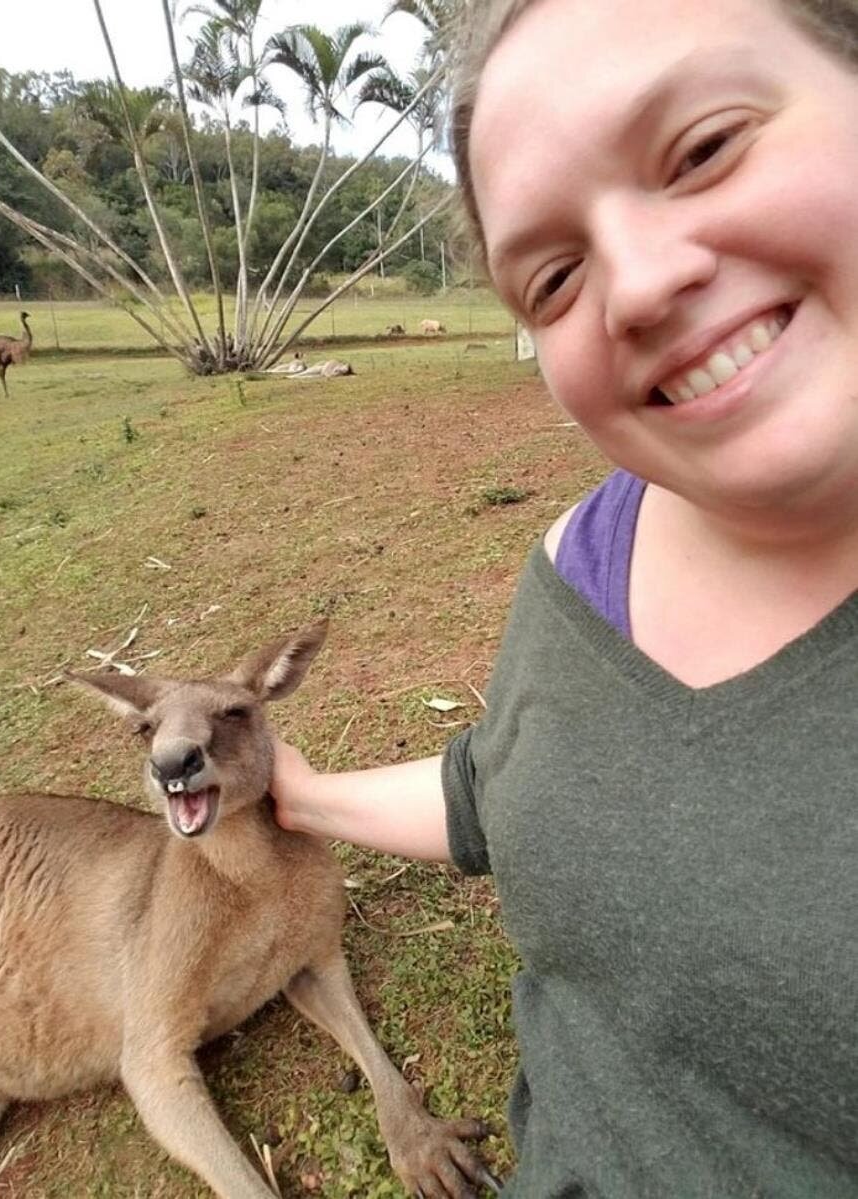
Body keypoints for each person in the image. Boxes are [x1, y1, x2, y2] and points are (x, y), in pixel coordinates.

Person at [271, 0, 858, 1194]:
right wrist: (295, 791)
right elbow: (508, 788)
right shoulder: (585, 556)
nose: (636, 287)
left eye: (704, 147)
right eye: (552, 275)